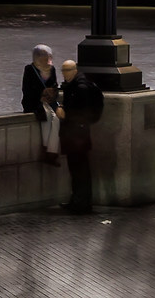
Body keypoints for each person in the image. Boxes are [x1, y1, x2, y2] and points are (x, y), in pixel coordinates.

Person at [58, 59, 104, 213]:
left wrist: (64, 113)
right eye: (63, 71)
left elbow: (80, 112)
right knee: (78, 169)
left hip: (77, 135)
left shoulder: (80, 88)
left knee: (79, 169)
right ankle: (78, 201)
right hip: (79, 134)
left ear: (74, 70)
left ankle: (81, 203)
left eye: (66, 71)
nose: (64, 74)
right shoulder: (79, 85)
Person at [21, 44, 61, 160]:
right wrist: (41, 95)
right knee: (47, 116)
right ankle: (46, 148)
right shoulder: (29, 69)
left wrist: (52, 92)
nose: (47, 58)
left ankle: (52, 151)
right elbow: (26, 89)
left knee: (57, 118)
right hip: (34, 102)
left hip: (49, 102)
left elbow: (55, 86)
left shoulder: (52, 69)